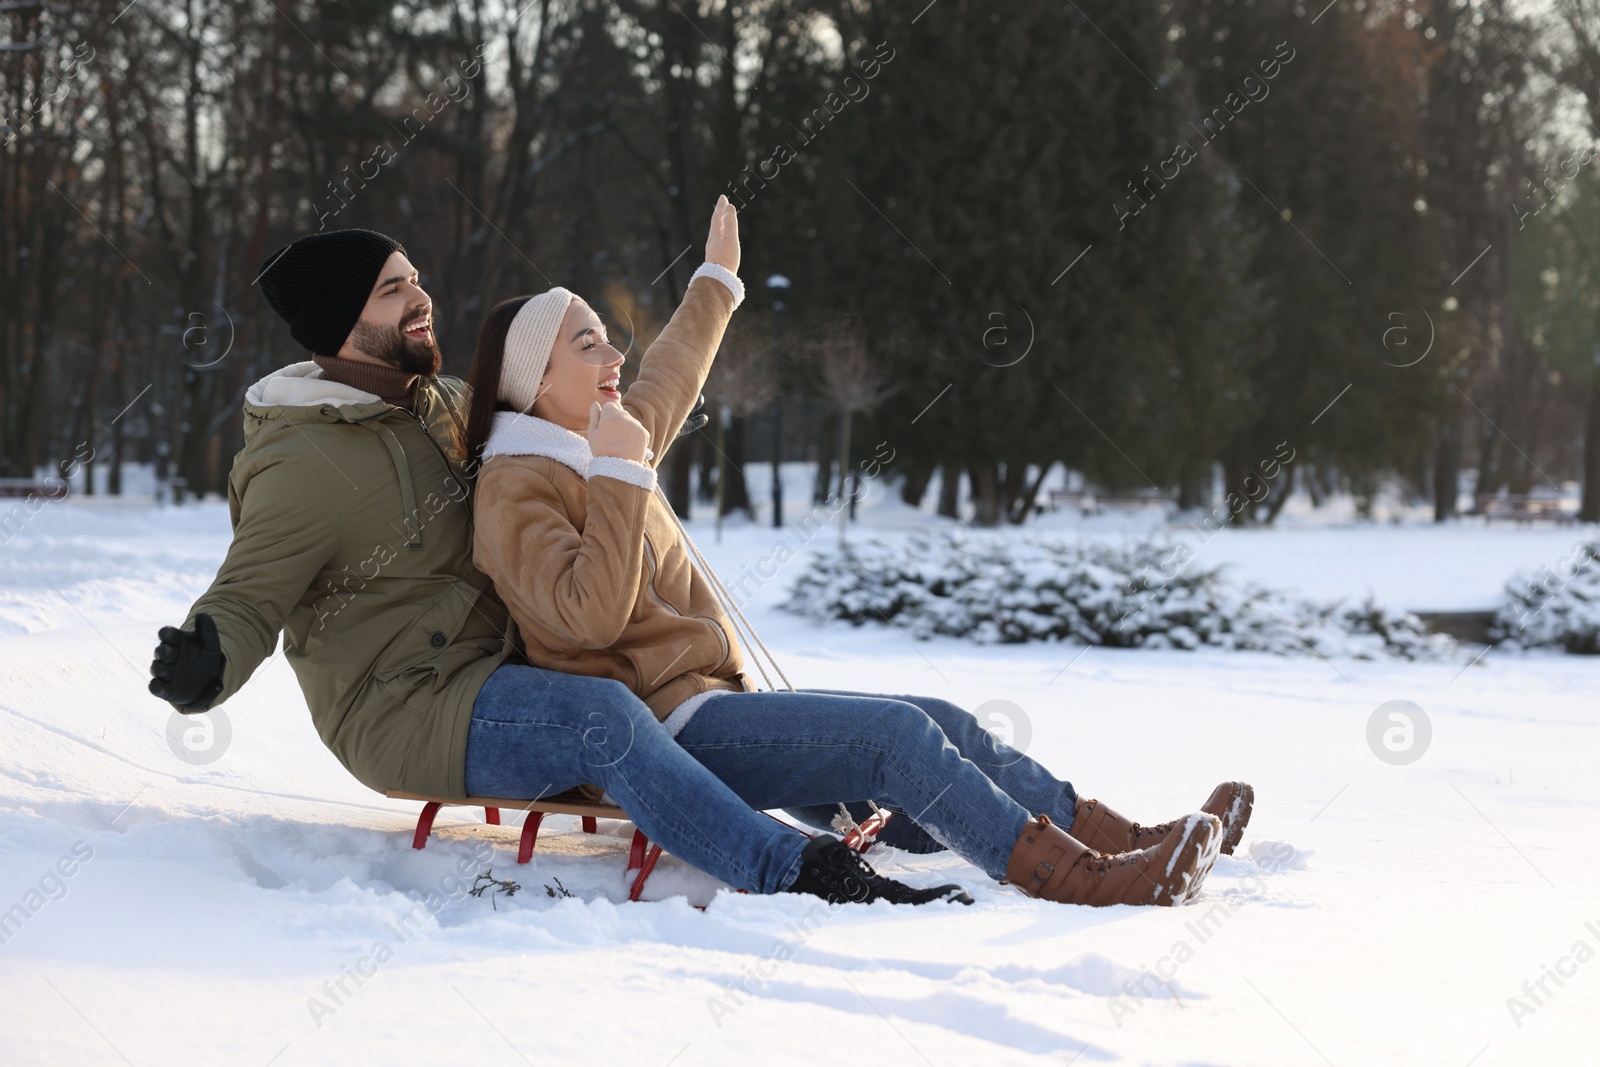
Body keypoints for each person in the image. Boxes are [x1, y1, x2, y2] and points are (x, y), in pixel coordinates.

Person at [148, 226, 968, 908]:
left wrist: (715, 284)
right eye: (393, 289)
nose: (421, 297)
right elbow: (251, 588)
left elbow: (638, 405)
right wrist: (205, 657)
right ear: (341, 321)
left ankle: (925, 815)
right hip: (405, 708)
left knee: (675, 711)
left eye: (415, 279)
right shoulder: (302, 461)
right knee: (600, 716)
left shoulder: (439, 408)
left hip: (501, 675)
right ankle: (794, 869)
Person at [467, 195, 1254, 907]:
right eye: (588, 347)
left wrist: (716, 278)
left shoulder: (601, 442)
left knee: (937, 719)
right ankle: (1079, 880)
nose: (614, 360)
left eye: (609, 342)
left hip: (717, 702)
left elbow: (669, 376)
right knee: (893, 738)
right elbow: (590, 618)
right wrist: (618, 472)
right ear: (535, 381)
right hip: (668, 731)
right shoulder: (516, 488)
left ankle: (1124, 841)